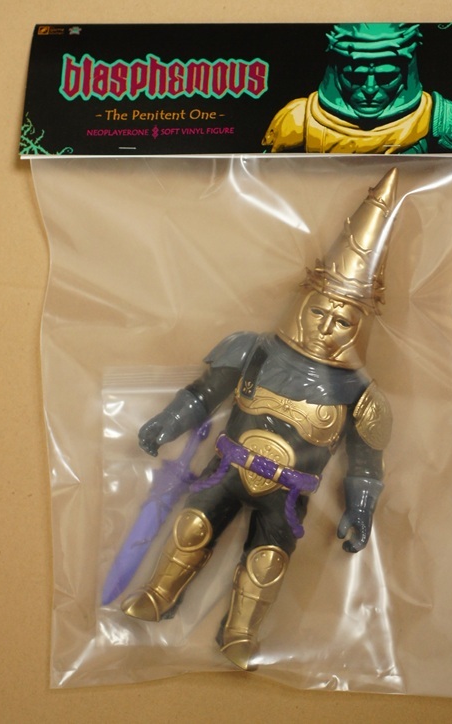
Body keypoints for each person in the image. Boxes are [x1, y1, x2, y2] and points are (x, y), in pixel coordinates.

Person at [122, 168, 398, 670]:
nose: (327, 327)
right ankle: (158, 595)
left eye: (343, 321)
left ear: (359, 327)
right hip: (225, 471)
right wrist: (167, 423)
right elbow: (204, 395)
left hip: (288, 495)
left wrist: (361, 509)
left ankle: (240, 632)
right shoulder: (253, 349)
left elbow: (366, 466)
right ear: (304, 303)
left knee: (267, 562)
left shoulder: (363, 396)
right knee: (191, 527)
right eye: (320, 313)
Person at [262, 23, 452, 154]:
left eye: (386, 78)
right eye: (355, 77)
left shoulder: (441, 119)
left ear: (406, 73)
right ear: (336, 73)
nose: (370, 90)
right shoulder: (298, 120)